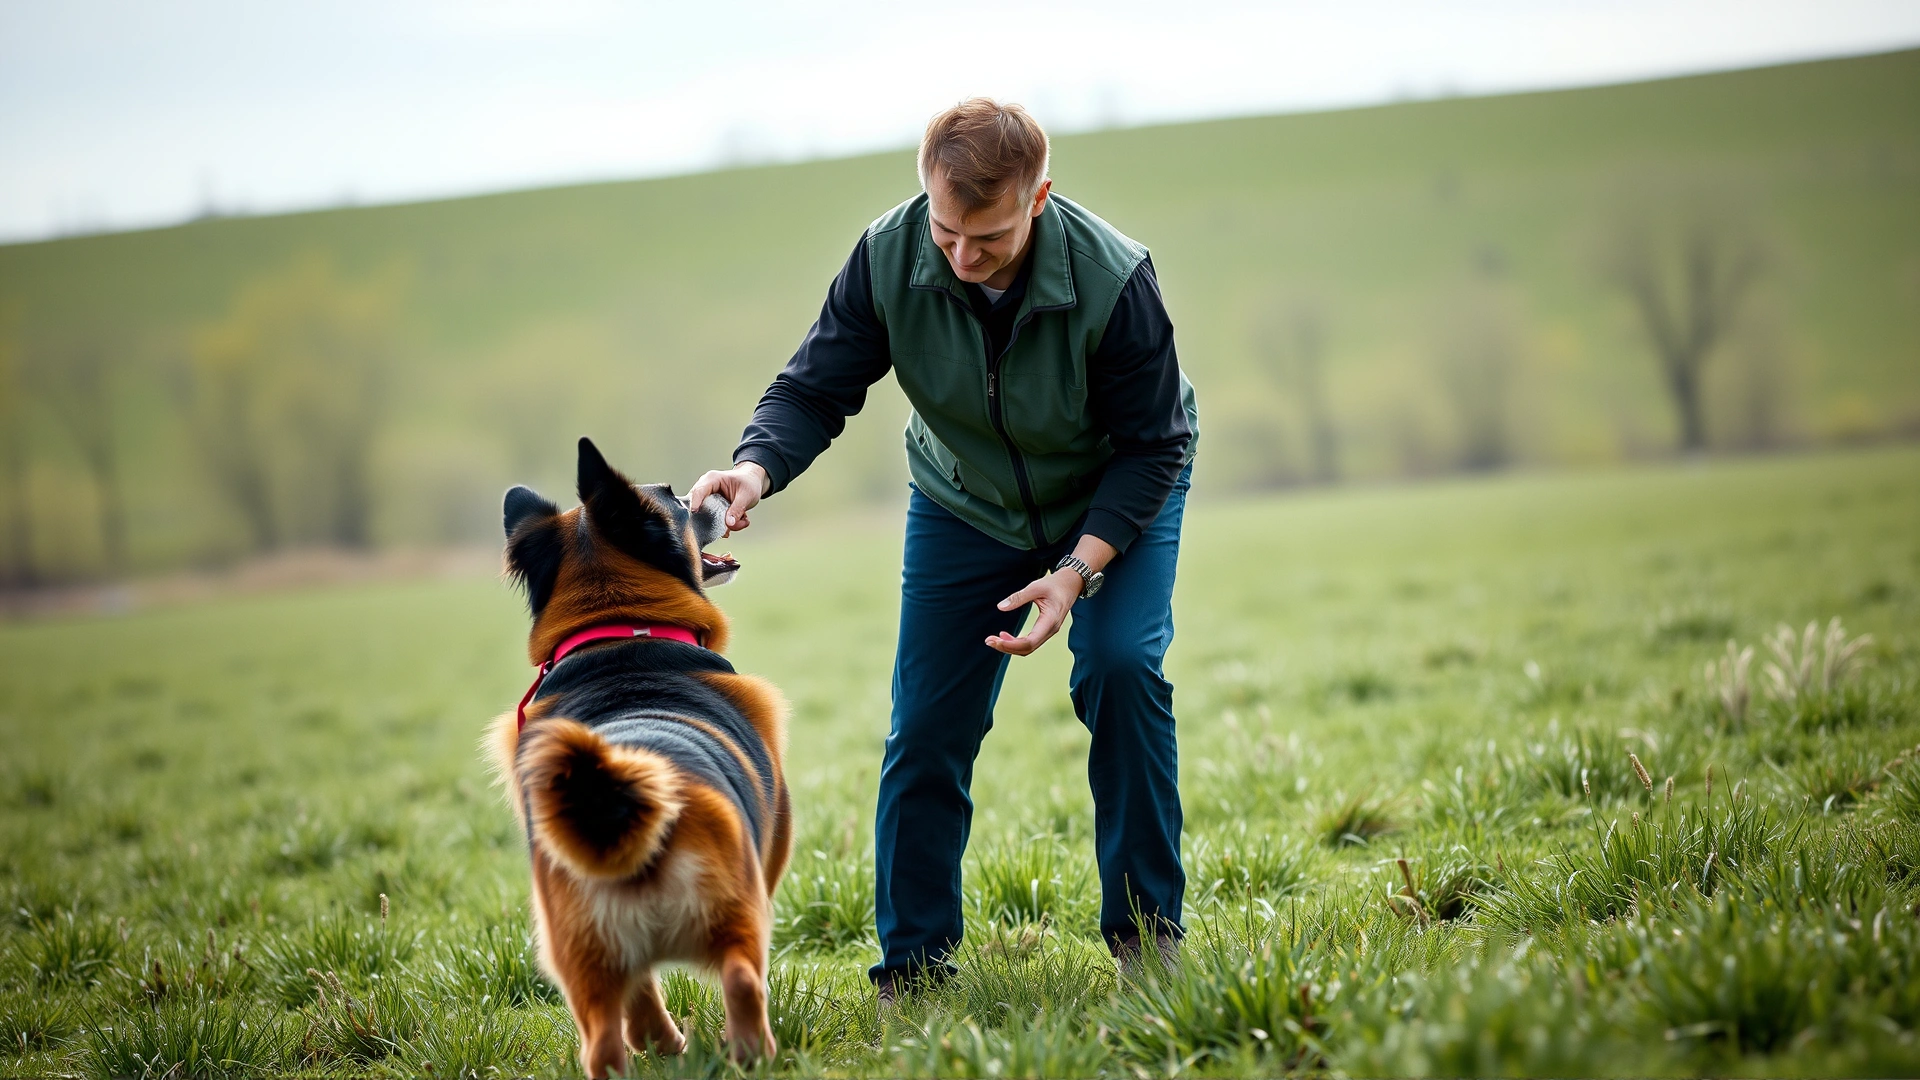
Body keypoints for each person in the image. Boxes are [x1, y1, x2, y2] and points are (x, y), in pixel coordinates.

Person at [688, 98, 1199, 999]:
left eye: (989, 239)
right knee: (924, 727)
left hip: (1113, 497)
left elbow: (1155, 445)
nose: (962, 258)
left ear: (1041, 199)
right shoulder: (890, 256)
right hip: (964, 503)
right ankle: (914, 973)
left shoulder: (1116, 280)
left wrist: (1077, 572)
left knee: (1119, 669)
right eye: (946, 230)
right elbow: (816, 385)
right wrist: (754, 467)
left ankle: (1148, 940)